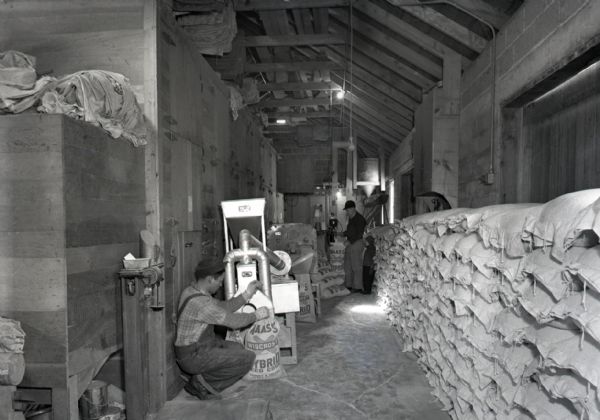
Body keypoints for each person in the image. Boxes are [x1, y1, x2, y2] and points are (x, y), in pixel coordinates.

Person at [174, 257, 270, 400]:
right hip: (192, 356)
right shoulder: (200, 304)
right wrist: (256, 315)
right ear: (209, 279)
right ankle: (201, 385)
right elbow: (233, 322)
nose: (220, 285)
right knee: (247, 359)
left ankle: (201, 376)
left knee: (238, 349)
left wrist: (247, 294)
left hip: (202, 346)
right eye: (219, 281)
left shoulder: (193, 290)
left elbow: (224, 307)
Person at [342, 200, 367, 293]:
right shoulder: (351, 218)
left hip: (357, 243)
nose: (347, 212)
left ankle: (357, 286)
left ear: (352, 209)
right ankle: (348, 285)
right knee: (347, 265)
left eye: (348, 210)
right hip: (350, 243)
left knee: (356, 266)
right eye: (346, 210)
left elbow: (360, 234)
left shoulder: (360, 219)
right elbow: (350, 231)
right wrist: (342, 234)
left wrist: (350, 241)